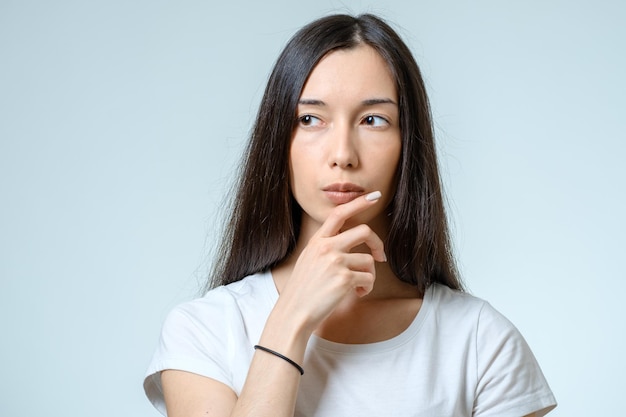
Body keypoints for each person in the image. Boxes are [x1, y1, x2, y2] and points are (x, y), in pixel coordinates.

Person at [144, 13, 557, 417]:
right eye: (310, 119)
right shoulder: (205, 330)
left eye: (373, 120)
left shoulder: (480, 341)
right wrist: (290, 321)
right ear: (278, 141)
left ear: (408, 145)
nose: (342, 154)